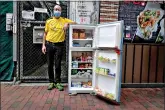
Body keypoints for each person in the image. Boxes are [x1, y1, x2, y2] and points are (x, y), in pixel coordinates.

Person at [42, 4, 76, 91]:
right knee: (50, 64)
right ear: (53, 11)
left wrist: (67, 24)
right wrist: (43, 45)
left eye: (58, 10)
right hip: (49, 45)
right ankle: (51, 82)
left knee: (57, 65)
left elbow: (76, 23)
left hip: (59, 45)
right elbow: (45, 33)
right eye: (55, 9)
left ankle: (57, 82)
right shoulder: (49, 21)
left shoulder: (64, 20)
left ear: (61, 11)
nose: (57, 11)